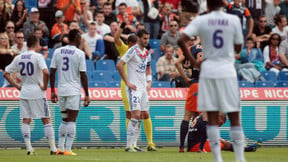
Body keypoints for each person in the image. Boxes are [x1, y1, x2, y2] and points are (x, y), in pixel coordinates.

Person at [177, 0, 245, 162]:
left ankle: (217, 158)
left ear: (207, 6)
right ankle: (240, 158)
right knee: (234, 115)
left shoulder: (202, 20)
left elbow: (181, 39)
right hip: (227, 70)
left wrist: (193, 62)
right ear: (223, 4)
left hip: (208, 72)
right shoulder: (233, 20)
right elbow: (238, 48)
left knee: (212, 117)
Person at [3, 35, 57, 155]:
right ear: (37, 44)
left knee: (26, 120)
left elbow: (6, 73)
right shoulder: (38, 56)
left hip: (24, 91)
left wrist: (17, 86)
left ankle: (29, 148)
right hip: (37, 92)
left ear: (27, 45)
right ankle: (53, 148)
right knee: (46, 120)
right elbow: (46, 72)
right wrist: (44, 86)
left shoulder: (19, 57)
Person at [115, 23, 156, 152]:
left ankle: (134, 144)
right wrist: (127, 82)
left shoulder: (147, 53)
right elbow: (119, 65)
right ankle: (128, 145)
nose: (146, 40)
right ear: (138, 39)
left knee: (142, 115)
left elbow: (148, 68)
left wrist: (149, 82)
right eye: (144, 38)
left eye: (148, 38)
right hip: (134, 88)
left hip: (143, 88)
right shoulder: (132, 50)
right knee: (135, 115)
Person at [50, 29, 90, 155]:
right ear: (76, 38)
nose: (81, 39)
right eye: (80, 37)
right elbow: (83, 75)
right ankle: (68, 149)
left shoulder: (57, 51)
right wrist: (87, 94)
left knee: (64, 120)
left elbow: (52, 72)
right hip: (73, 91)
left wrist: (52, 90)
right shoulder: (79, 53)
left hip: (61, 90)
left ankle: (60, 148)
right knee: (72, 120)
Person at [175, 37, 202, 152]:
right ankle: (198, 146)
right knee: (201, 117)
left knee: (187, 116)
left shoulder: (192, 48)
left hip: (194, 84)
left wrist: (186, 78)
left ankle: (181, 146)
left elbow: (177, 63)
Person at [187, 113, 262, 153]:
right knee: (223, 143)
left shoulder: (205, 115)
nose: (219, 125)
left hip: (193, 145)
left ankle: (246, 148)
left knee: (222, 142)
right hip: (196, 147)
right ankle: (248, 149)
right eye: (220, 122)